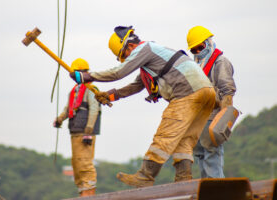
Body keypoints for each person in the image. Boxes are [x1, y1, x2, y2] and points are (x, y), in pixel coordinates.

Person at [70, 26, 215, 187]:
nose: (127, 59)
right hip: (206, 92)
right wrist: (110, 95)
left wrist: (88, 76)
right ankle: (184, 181)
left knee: (164, 136)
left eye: (124, 55)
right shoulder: (154, 54)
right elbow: (137, 86)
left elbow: (119, 72)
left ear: (130, 46)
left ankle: (146, 175)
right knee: (184, 141)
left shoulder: (144, 49)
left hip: (187, 91)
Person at [186, 26, 236, 178]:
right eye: (194, 50)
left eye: (200, 47)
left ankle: (217, 189)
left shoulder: (220, 62)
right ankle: (207, 188)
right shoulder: (196, 66)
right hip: (199, 119)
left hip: (214, 116)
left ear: (208, 43)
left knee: (212, 154)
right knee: (201, 154)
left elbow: (228, 91)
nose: (198, 52)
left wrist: (223, 120)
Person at [53, 58, 101, 196]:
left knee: (85, 163)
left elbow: (94, 109)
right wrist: (59, 119)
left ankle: (89, 192)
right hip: (75, 131)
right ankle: (82, 191)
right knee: (77, 164)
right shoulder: (75, 90)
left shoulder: (91, 89)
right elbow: (68, 108)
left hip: (85, 133)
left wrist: (89, 130)